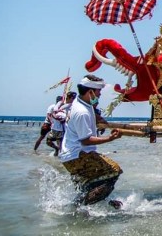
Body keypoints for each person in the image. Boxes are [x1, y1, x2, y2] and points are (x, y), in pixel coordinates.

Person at [59, 75, 123, 209]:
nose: (99, 95)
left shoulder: (79, 102)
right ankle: (82, 206)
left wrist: (97, 118)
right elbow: (86, 141)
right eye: (98, 92)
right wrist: (110, 139)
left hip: (70, 154)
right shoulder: (82, 112)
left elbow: (90, 112)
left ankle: (98, 201)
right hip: (78, 155)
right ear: (90, 92)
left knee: (97, 179)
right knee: (114, 171)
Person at [46, 92, 76, 156]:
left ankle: (61, 159)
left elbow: (66, 117)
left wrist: (61, 118)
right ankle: (56, 149)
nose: (67, 98)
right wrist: (55, 115)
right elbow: (53, 114)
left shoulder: (72, 106)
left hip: (61, 130)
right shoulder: (61, 105)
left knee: (60, 146)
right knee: (48, 141)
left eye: (69, 97)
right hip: (54, 128)